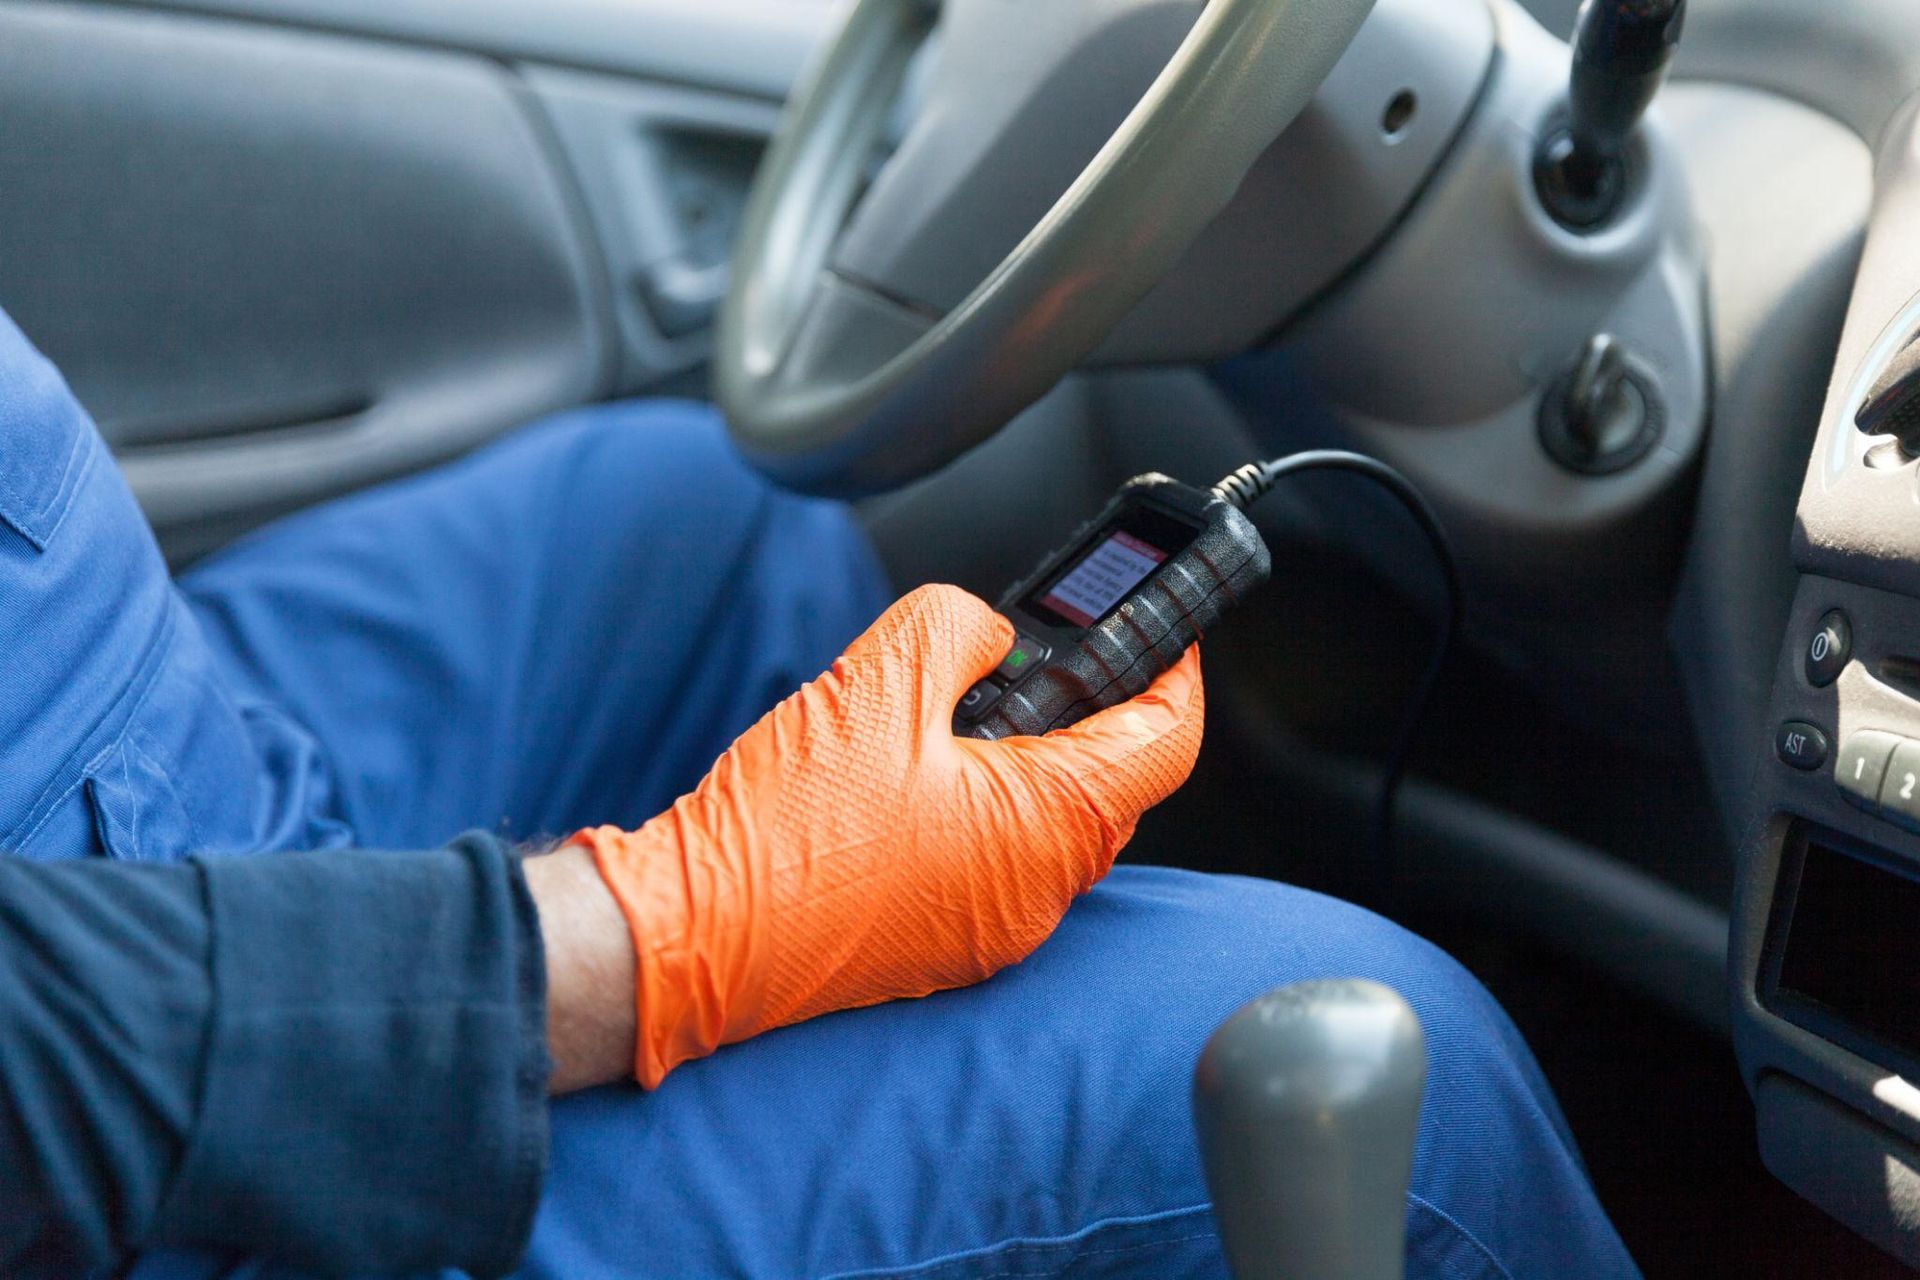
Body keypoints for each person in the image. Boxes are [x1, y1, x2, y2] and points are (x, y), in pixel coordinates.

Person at [0, 306, 1638, 1279]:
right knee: (1382, 1059)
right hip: (131, 1133)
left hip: (127, 763)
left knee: (698, 519)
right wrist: (652, 932)